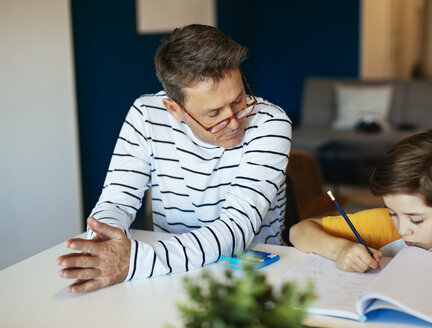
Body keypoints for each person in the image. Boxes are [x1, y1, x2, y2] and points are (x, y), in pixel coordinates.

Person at [56, 24, 292, 293]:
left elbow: (235, 230)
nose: (234, 121)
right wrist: (102, 242)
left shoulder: (270, 123)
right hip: (169, 275)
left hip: (251, 277)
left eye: (238, 100)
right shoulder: (146, 115)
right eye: (214, 114)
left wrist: (133, 261)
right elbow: (117, 199)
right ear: (174, 109)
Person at [290, 129, 432, 272]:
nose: (402, 230)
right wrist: (340, 249)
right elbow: (298, 232)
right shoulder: (384, 225)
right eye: (392, 212)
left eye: (416, 220)